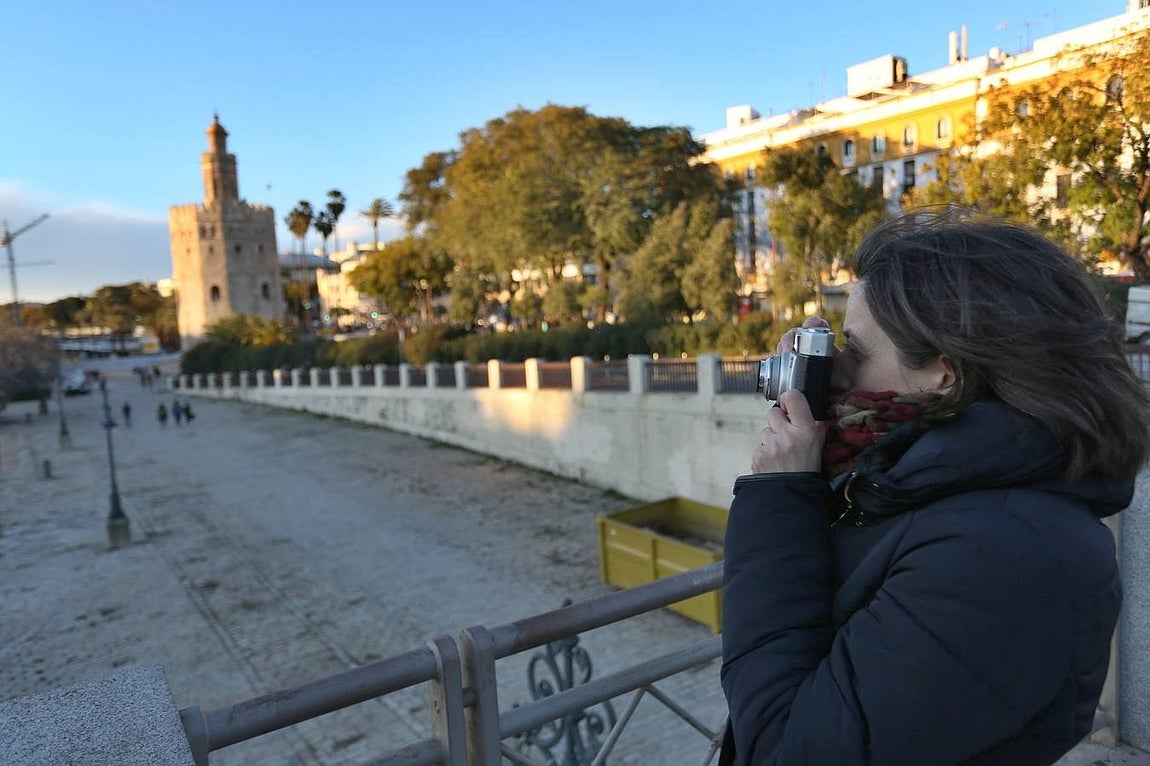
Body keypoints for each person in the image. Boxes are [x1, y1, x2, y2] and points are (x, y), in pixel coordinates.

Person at [720, 211, 1150, 766]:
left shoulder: (1002, 555)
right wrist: (815, 470)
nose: (838, 371)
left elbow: (783, 748)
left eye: (856, 349)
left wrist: (779, 497)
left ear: (943, 374)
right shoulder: (939, 484)